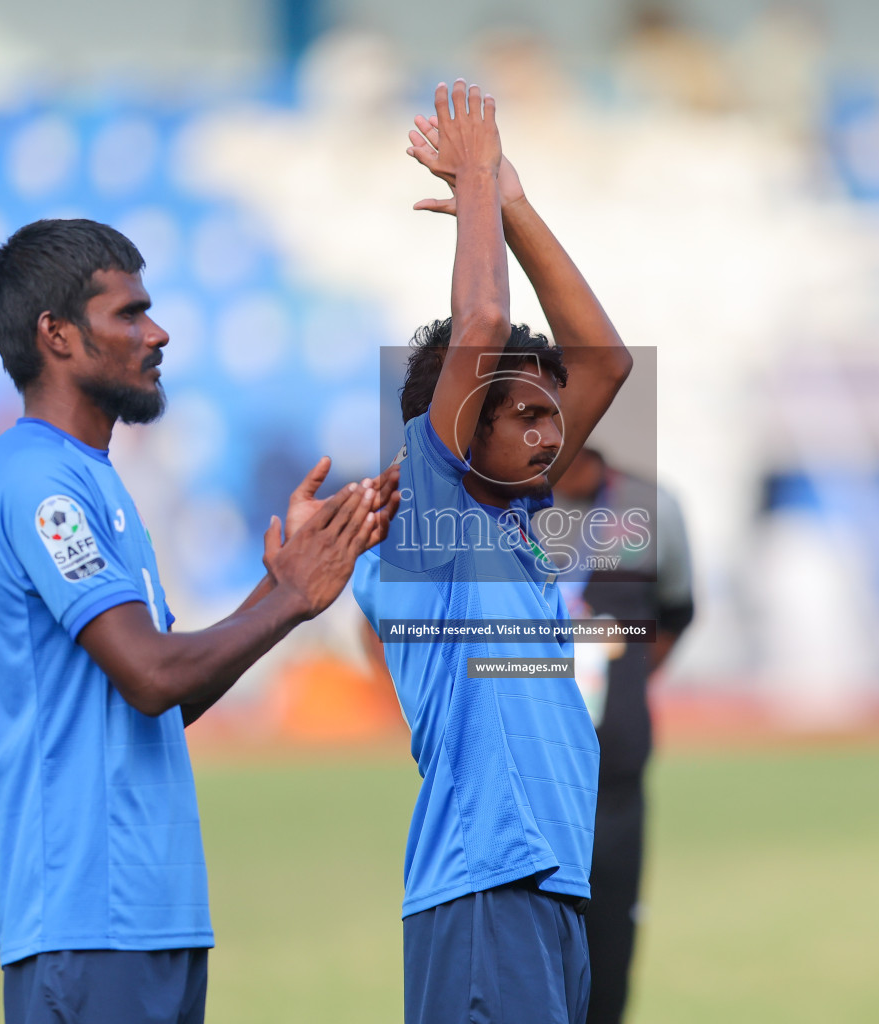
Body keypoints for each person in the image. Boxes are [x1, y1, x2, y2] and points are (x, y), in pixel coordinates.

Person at [0, 218, 397, 1024]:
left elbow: (166, 687)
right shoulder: (36, 481)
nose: (157, 333)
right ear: (55, 335)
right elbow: (154, 676)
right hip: (88, 915)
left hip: (147, 912)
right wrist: (293, 598)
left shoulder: (96, 482)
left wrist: (279, 589)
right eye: (128, 314)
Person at [351, 80, 633, 1024]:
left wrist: (513, 202)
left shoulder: (515, 518)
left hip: (547, 887)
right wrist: (474, 183)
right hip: (482, 892)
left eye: (551, 419)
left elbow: (606, 362)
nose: (552, 435)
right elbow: (478, 328)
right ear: (456, 430)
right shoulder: (427, 526)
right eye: (521, 416)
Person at [550, 447, 695, 1024]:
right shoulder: (490, 505)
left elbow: (674, 616)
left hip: (614, 789)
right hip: (521, 788)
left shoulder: (651, 507)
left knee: (607, 978)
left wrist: (625, 682)